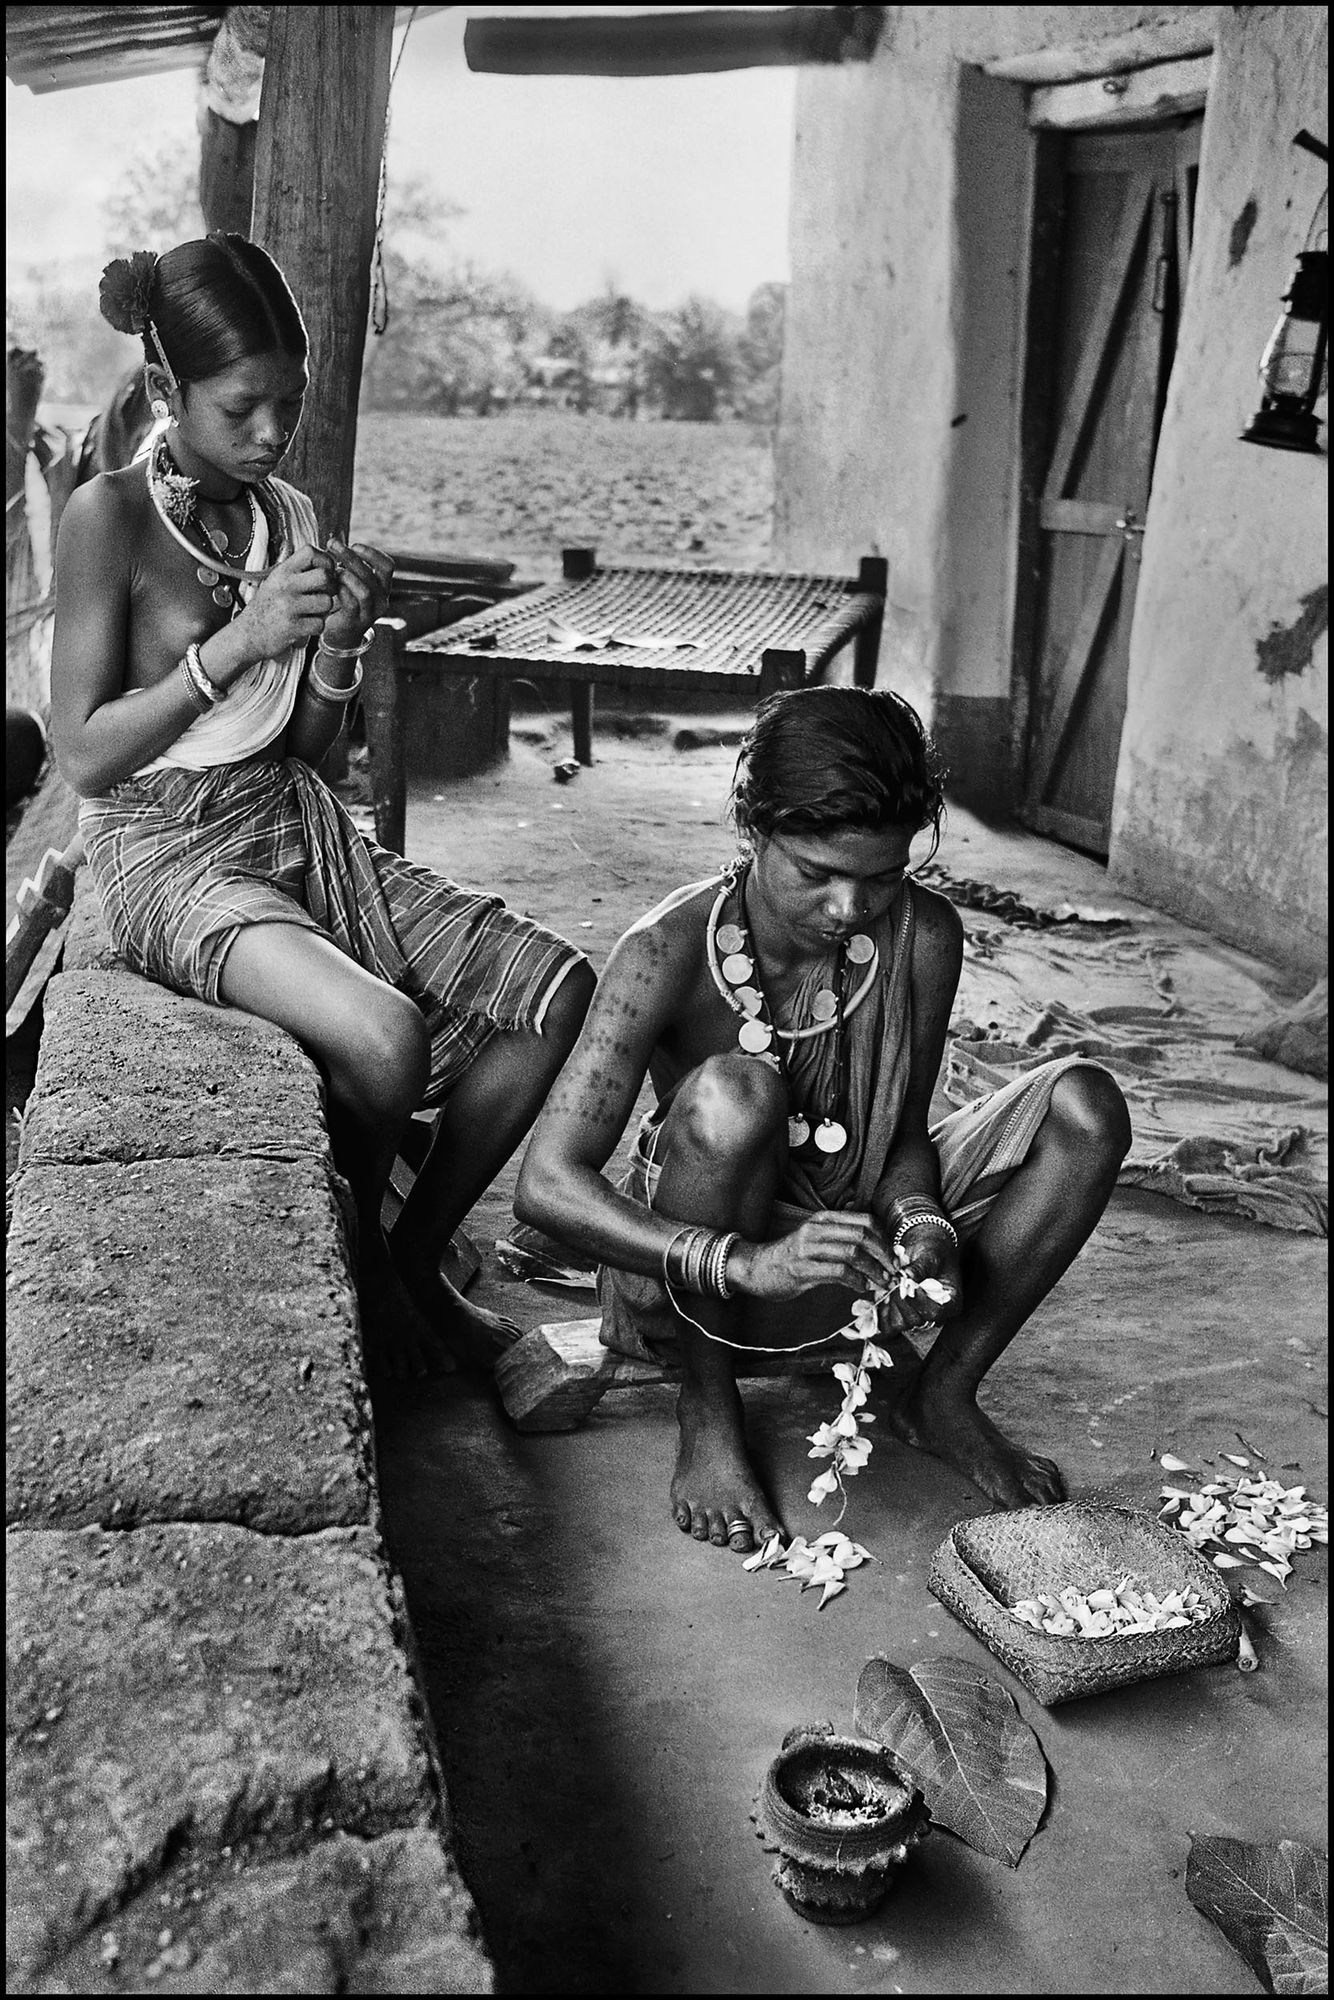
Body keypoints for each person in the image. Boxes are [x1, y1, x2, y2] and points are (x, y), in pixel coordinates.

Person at [50, 235, 595, 1376]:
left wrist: (337, 648)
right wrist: (238, 643)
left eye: (287, 407)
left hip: (286, 814)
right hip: (163, 850)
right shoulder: (106, 516)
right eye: (243, 407)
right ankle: (365, 1279)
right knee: (384, 1036)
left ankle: (398, 1255)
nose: (268, 434)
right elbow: (86, 757)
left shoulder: (284, 514)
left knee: (555, 992)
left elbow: (307, 745)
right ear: (165, 389)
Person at [514, 685, 1132, 1553]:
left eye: (881, 878)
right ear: (750, 825)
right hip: (701, 1270)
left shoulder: (922, 937)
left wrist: (923, 1226)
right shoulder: (661, 953)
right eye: (816, 874)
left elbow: (903, 1135)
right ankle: (708, 1404)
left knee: (1087, 1107)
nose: (849, 910)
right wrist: (751, 1262)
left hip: (853, 1252)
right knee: (734, 1095)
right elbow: (545, 1187)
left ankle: (942, 1396)